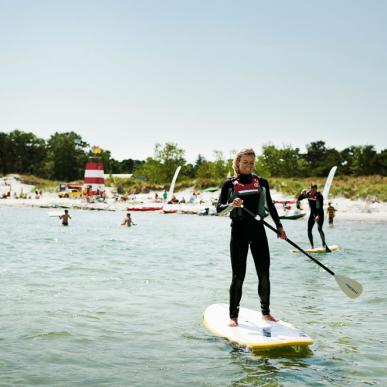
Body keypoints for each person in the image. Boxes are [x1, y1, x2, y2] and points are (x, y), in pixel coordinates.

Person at [217, 148, 287, 326]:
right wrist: (232, 204)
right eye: (245, 162)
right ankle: (233, 317)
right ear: (237, 164)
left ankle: (266, 313)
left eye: (251, 163)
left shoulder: (261, 182)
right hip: (239, 233)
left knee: (264, 274)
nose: (248, 165)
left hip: (259, 232)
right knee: (238, 276)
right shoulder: (229, 184)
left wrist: (279, 226)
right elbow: (219, 210)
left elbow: (270, 206)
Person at [297, 184, 331, 252]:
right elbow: (299, 198)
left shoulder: (319, 195)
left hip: (320, 214)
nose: (312, 191)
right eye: (311, 189)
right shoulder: (308, 194)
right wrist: (302, 193)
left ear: (316, 189)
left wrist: (318, 215)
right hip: (312, 214)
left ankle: (324, 245)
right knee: (309, 230)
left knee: (319, 229)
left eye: (314, 189)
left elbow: (320, 206)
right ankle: (312, 246)